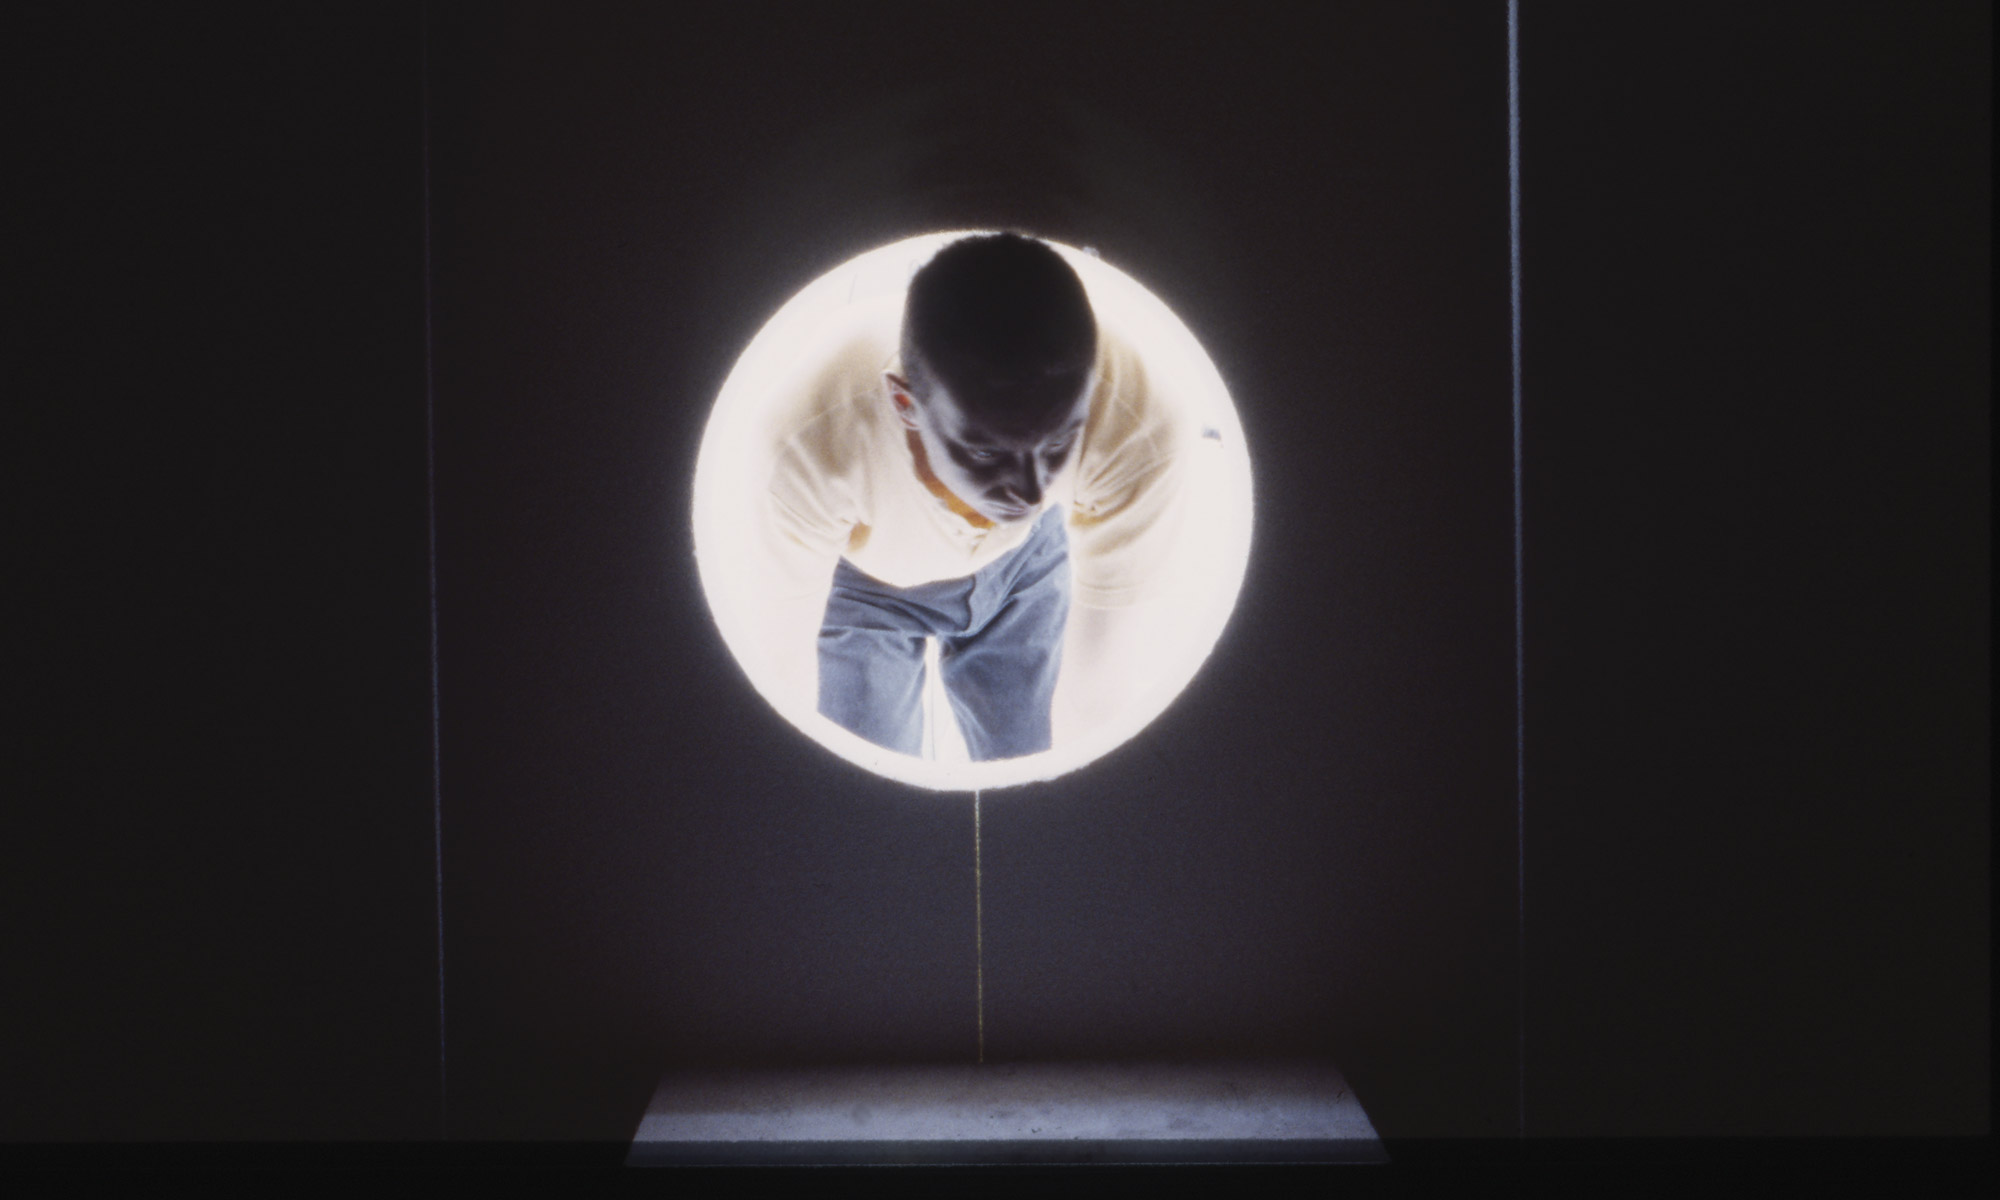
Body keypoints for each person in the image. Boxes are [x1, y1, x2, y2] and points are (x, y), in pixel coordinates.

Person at [737, 232, 1197, 761]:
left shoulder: (1140, 425)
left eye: (1057, 443)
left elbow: (1096, 693)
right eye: (985, 452)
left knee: (1035, 755)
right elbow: (783, 677)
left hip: (1029, 559)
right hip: (863, 585)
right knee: (865, 770)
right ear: (905, 403)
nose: (1030, 491)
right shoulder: (805, 439)